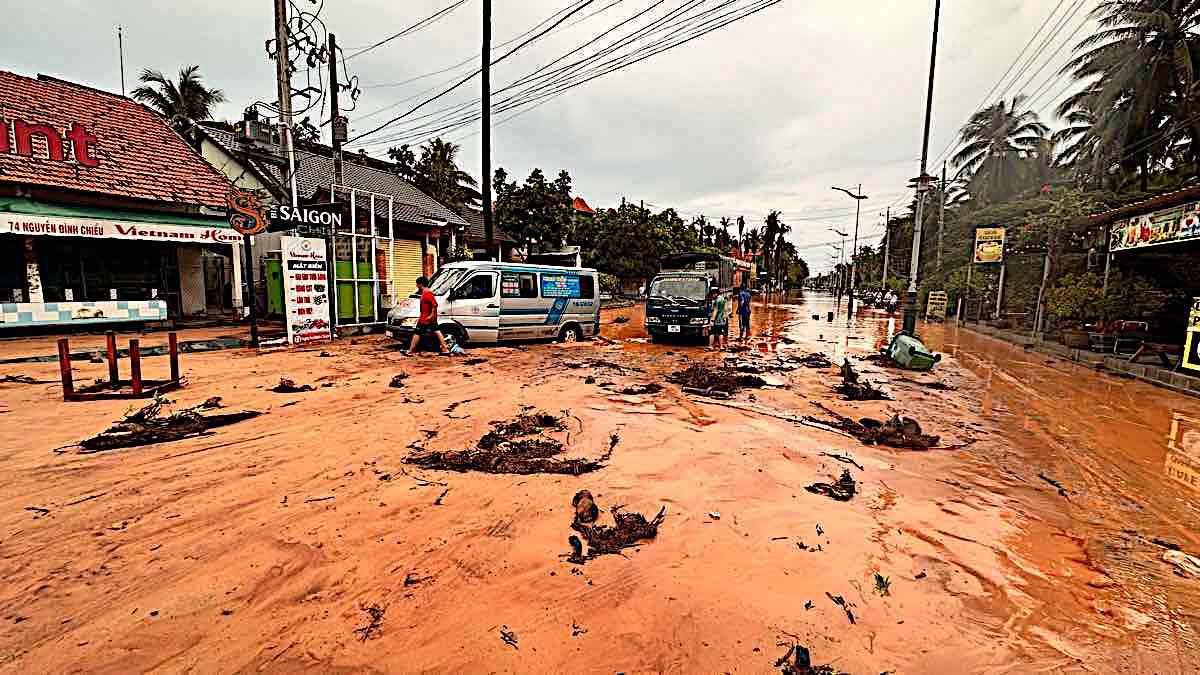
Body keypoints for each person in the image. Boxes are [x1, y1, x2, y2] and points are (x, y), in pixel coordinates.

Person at [403, 276, 451, 356]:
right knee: (437, 331)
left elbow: (435, 305)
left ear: (421, 284)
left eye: (417, 284)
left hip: (426, 319)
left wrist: (431, 316)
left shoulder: (427, 293)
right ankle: (445, 350)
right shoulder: (425, 293)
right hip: (427, 318)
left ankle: (410, 351)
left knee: (417, 333)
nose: (416, 286)